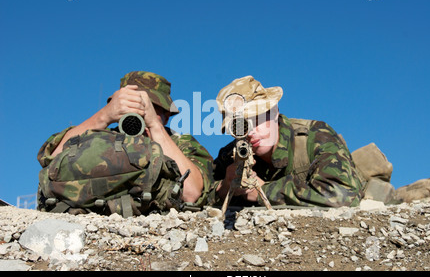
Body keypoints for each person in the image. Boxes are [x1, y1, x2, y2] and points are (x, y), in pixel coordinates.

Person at [37, 71, 213, 213]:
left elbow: (192, 193)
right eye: (130, 105)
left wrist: (154, 125)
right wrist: (104, 116)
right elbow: (51, 160)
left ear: (166, 116)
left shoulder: (181, 143)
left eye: (153, 107)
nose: (139, 112)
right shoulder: (99, 138)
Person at [209, 75, 365, 209]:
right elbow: (196, 195)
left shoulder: (315, 136)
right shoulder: (231, 155)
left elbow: (342, 195)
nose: (249, 132)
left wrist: (263, 191)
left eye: (256, 119)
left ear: (274, 112)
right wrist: (224, 187)